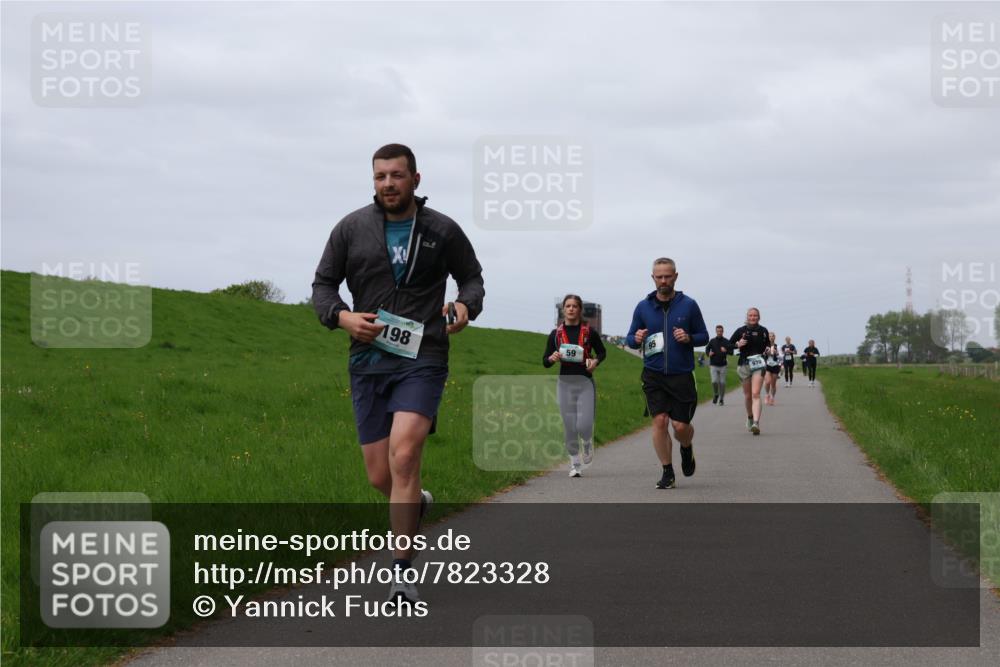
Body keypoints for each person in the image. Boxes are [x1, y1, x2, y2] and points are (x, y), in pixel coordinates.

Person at [311, 143, 485, 604]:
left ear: (415, 179)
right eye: (380, 177)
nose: (388, 184)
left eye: (396, 175)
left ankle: (402, 572)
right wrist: (341, 316)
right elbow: (323, 285)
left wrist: (466, 305)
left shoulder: (442, 230)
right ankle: (416, 503)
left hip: (423, 355)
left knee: (404, 456)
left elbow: (472, 279)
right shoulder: (350, 229)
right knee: (379, 474)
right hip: (367, 359)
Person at [626, 258, 709, 489]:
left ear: (675, 276)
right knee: (660, 421)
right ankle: (667, 471)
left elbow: (704, 335)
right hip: (653, 374)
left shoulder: (689, 305)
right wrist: (637, 339)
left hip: (681, 374)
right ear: (652, 278)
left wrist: (689, 338)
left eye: (667, 276)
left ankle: (686, 447)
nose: (663, 280)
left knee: (680, 427)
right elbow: (629, 338)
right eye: (659, 276)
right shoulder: (643, 307)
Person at [543, 294, 607, 477]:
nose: (571, 309)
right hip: (564, 384)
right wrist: (551, 358)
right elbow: (545, 361)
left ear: (580, 310)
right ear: (563, 309)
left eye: (574, 306)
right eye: (568, 306)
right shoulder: (555, 335)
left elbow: (602, 353)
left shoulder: (589, 333)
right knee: (569, 426)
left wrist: (595, 362)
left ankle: (587, 442)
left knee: (584, 425)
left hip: (585, 383)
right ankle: (575, 464)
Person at [729, 308, 770, 435]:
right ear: (747, 317)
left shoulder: (763, 331)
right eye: (751, 315)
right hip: (744, 364)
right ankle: (750, 417)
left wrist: (768, 351)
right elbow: (728, 345)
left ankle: (756, 423)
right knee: (748, 396)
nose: (753, 317)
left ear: (759, 317)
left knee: (756, 393)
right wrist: (738, 344)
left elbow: (767, 346)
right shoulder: (740, 331)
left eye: (755, 315)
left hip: (758, 364)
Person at [705, 324, 731, 406]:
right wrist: (708, 353)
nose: (719, 332)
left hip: (723, 365)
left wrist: (726, 350)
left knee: (722, 383)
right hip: (713, 365)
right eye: (718, 331)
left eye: (721, 331)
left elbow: (731, 352)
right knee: (714, 381)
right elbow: (707, 348)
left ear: (723, 332)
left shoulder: (726, 341)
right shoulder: (712, 341)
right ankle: (716, 394)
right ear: (716, 331)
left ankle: (721, 399)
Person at [764, 331, 781, 406]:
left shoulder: (778, 346)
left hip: (775, 365)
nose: (771, 337)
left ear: (775, 337)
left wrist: (776, 353)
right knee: (767, 382)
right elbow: (762, 354)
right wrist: (766, 353)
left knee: (773, 384)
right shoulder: (765, 346)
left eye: (772, 336)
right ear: (768, 337)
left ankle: (772, 398)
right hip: (767, 365)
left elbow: (781, 357)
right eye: (770, 336)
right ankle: (767, 395)